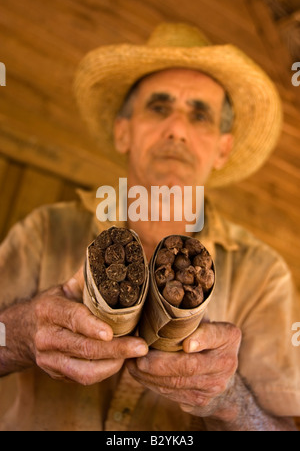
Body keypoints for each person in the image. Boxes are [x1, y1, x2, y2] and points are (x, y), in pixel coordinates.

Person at [0, 23, 299, 431]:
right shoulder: (47, 231)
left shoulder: (263, 277)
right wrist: (20, 334)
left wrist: (230, 399)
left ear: (222, 148)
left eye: (200, 114)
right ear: (124, 131)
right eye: (159, 107)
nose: (176, 128)